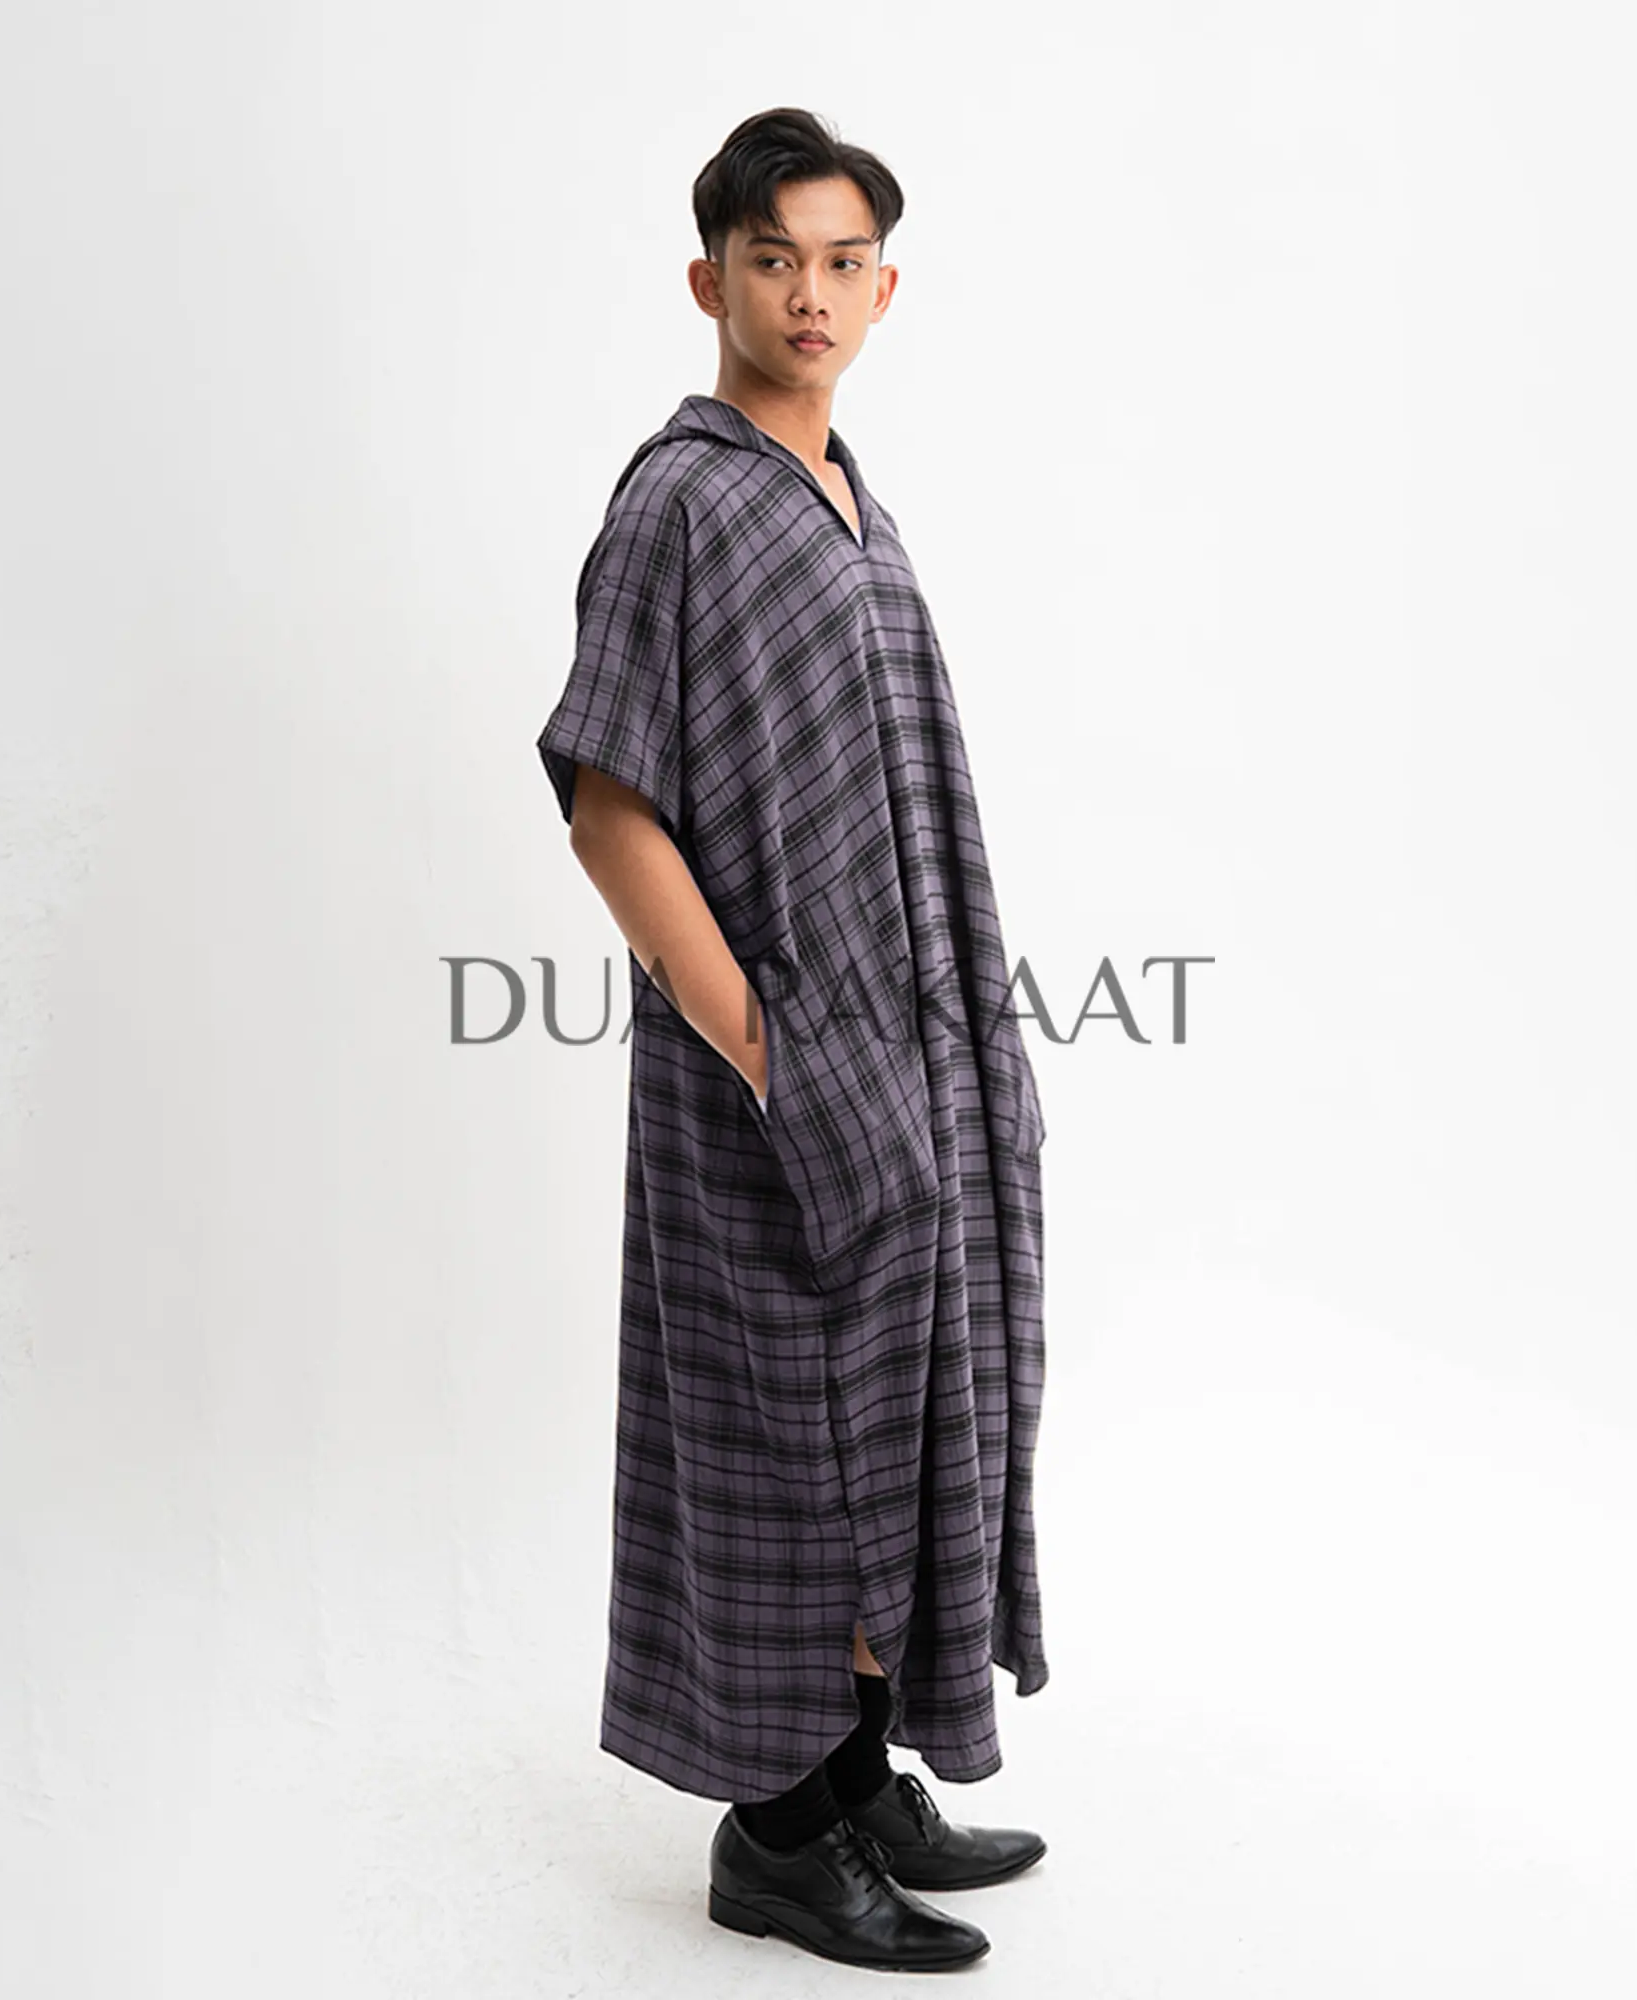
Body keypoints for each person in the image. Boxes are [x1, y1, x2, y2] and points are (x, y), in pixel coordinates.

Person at [535, 106, 1050, 1973]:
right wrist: (767, 1048)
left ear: (885, 290)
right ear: (712, 281)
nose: (809, 294)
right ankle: (774, 1832)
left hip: (904, 1054)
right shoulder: (682, 501)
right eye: (774, 260)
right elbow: (611, 808)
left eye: (843, 263)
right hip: (770, 1073)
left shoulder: (853, 507)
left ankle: (851, 1774)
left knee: (904, 1395)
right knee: (785, 1421)